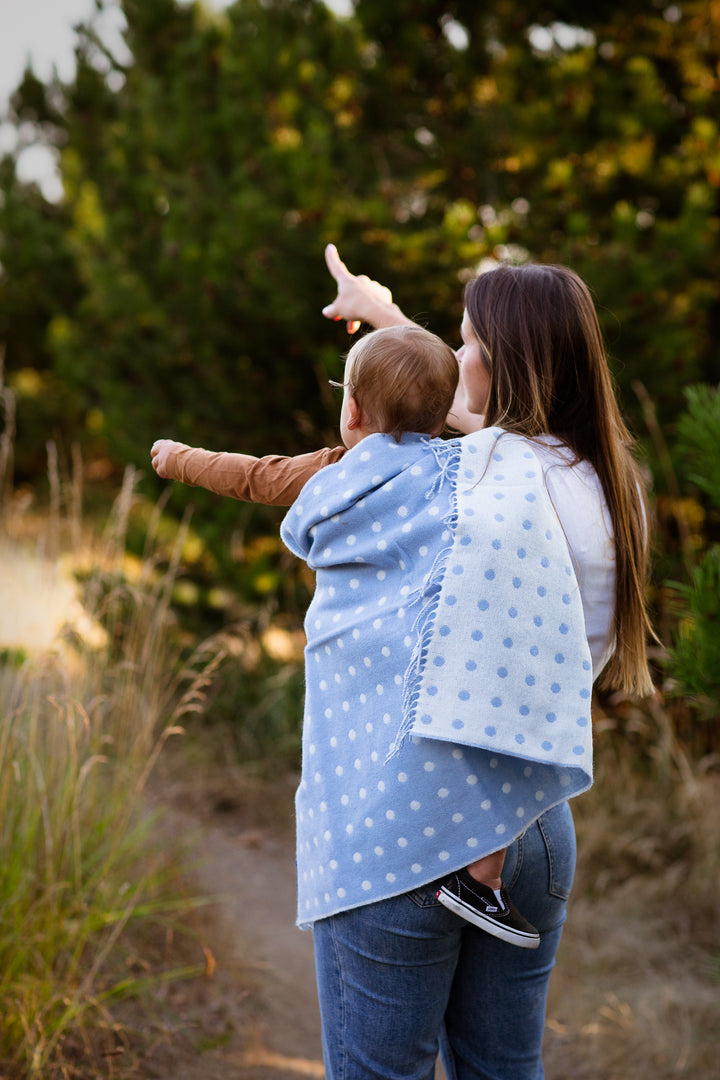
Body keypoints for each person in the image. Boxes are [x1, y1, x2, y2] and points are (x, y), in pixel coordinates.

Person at [153, 244, 654, 1080]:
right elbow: (439, 403)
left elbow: (403, 419)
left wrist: (379, 345)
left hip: (414, 823)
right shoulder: (609, 483)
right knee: (503, 1069)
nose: (454, 360)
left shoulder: (489, 473)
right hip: (535, 825)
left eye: (468, 345)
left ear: (506, 365)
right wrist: (383, 314)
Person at [153, 321, 541, 949]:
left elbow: (253, 475)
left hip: (367, 669)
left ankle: (418, 859)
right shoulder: (465, 469)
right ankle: (479, 863)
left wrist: (180, 459)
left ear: (352, 409)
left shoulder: (332, 473)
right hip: (448, 662)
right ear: (445, 413)